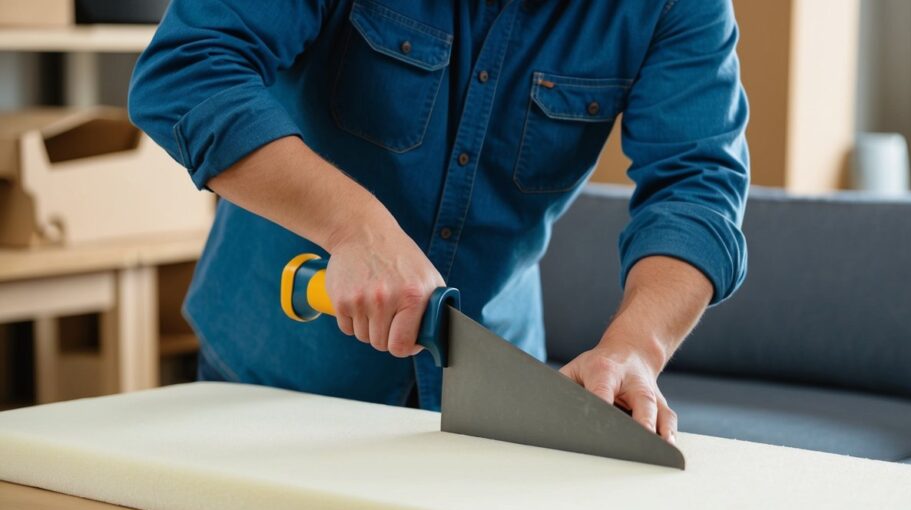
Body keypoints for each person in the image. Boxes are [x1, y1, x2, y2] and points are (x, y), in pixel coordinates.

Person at [128, 0, 749, 444]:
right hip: (273, 381)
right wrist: (355, 228)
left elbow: (697, 186)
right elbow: (188, 70)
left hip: (488, 402)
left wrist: (635, 347)